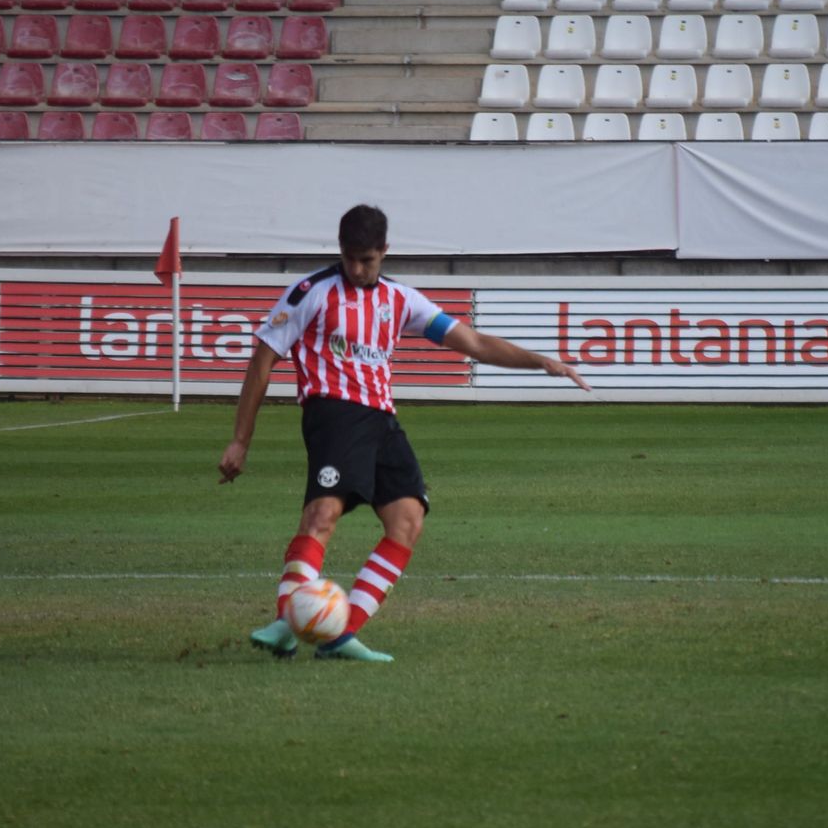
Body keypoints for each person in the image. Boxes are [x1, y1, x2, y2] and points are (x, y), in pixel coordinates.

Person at [218, 204, 590, 662]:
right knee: (323, 515)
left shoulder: (401, 300)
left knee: (408, 520)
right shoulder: (310, 293)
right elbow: (263, 358)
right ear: (340, 251)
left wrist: (541, 361)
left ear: (385, 252)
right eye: (350, 258)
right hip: (333, 413)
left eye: (367, 260)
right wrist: (241, 440)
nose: (356, 269)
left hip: (381, 421)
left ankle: (337, 635)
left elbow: (472, 342)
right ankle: (288, 620)